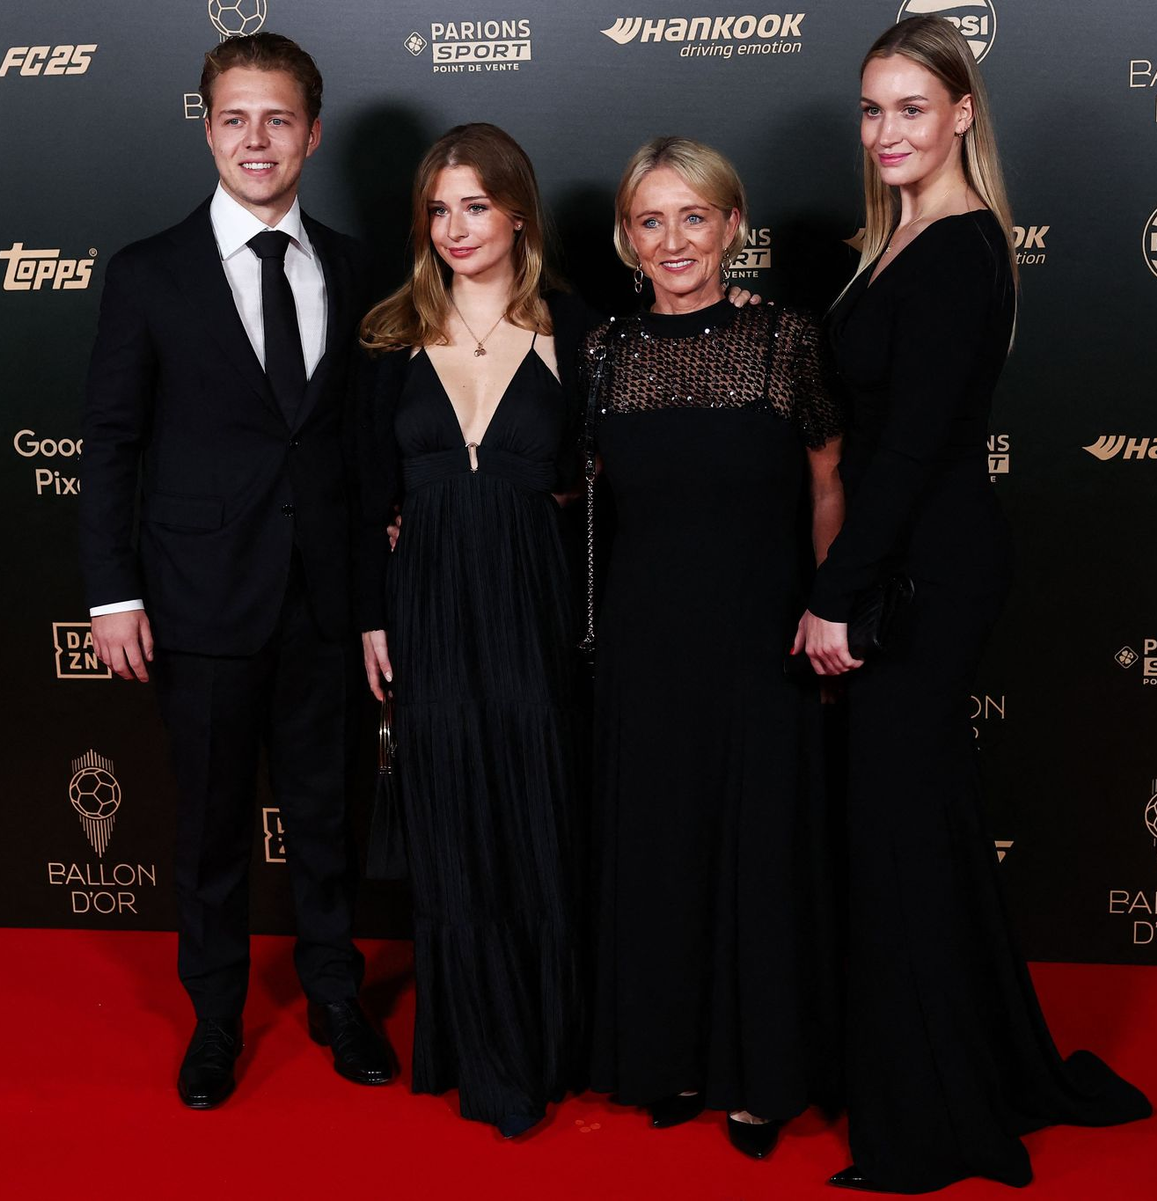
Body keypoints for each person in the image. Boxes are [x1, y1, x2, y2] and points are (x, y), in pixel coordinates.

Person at [798, 16, 1152, 1192]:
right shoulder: (899, 239)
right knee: (922, 831)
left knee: (900, 836)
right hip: (909, 561)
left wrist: (838, 598)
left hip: (924, 574)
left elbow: (910, 454)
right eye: (871, 108)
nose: (887, 129)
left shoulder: (959, 248)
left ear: (961, 114)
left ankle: (935, 1112)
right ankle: (975, 1064)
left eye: (911, 106)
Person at [79, 32, 392, 1109]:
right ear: (206, 126)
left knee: (328, 814)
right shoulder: (149, 273)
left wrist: (375, 601)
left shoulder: (357, 268)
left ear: (312, 130)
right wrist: (112, 591)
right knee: (210, 825)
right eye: (234, 118)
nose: (256, 140)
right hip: (198, 599)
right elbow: (111, 441)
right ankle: (214, 1018)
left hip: (327, 600)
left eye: (277, 119)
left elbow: (362, 444)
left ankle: (336, 995)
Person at [585, 136, 846, 1160]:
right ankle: (669, 1057)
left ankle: (759, 1076)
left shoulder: (788, 341)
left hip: (761, 640)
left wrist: (830, 609)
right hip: (646, 647)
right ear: (627, 238)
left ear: (734, 226)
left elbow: (829, 483)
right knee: (661, 852)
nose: (674, 240)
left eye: (694, 216)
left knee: (758, 859)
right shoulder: (608, 351)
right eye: (651, 220)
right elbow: (577, 490)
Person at [355, 123, 596, 1138]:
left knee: (537, 813)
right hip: (428, 606)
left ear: (518, 213)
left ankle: (552, 1041)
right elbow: (357, 494)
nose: (456, 226)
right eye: (439, 208)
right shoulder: (386, 334)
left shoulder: (580, 331)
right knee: (453, 819)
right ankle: (479, 1050)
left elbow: (609, 483)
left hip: (536, 606)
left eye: (475, 205)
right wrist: (373, 609)